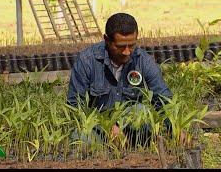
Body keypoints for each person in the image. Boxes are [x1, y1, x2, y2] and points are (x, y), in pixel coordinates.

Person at [67, 13, 173, 146]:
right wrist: (107, 127)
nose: (127, 52)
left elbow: (162, 97)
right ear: (107, 40)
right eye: (120, 46)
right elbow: (74, 106)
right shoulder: (87, 61)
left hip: (130, 128)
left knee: (142, 111)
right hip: (98, 128)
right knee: (80, 139)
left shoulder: (142, 60)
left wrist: (175, 127)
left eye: (131, 45)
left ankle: (137, 148)